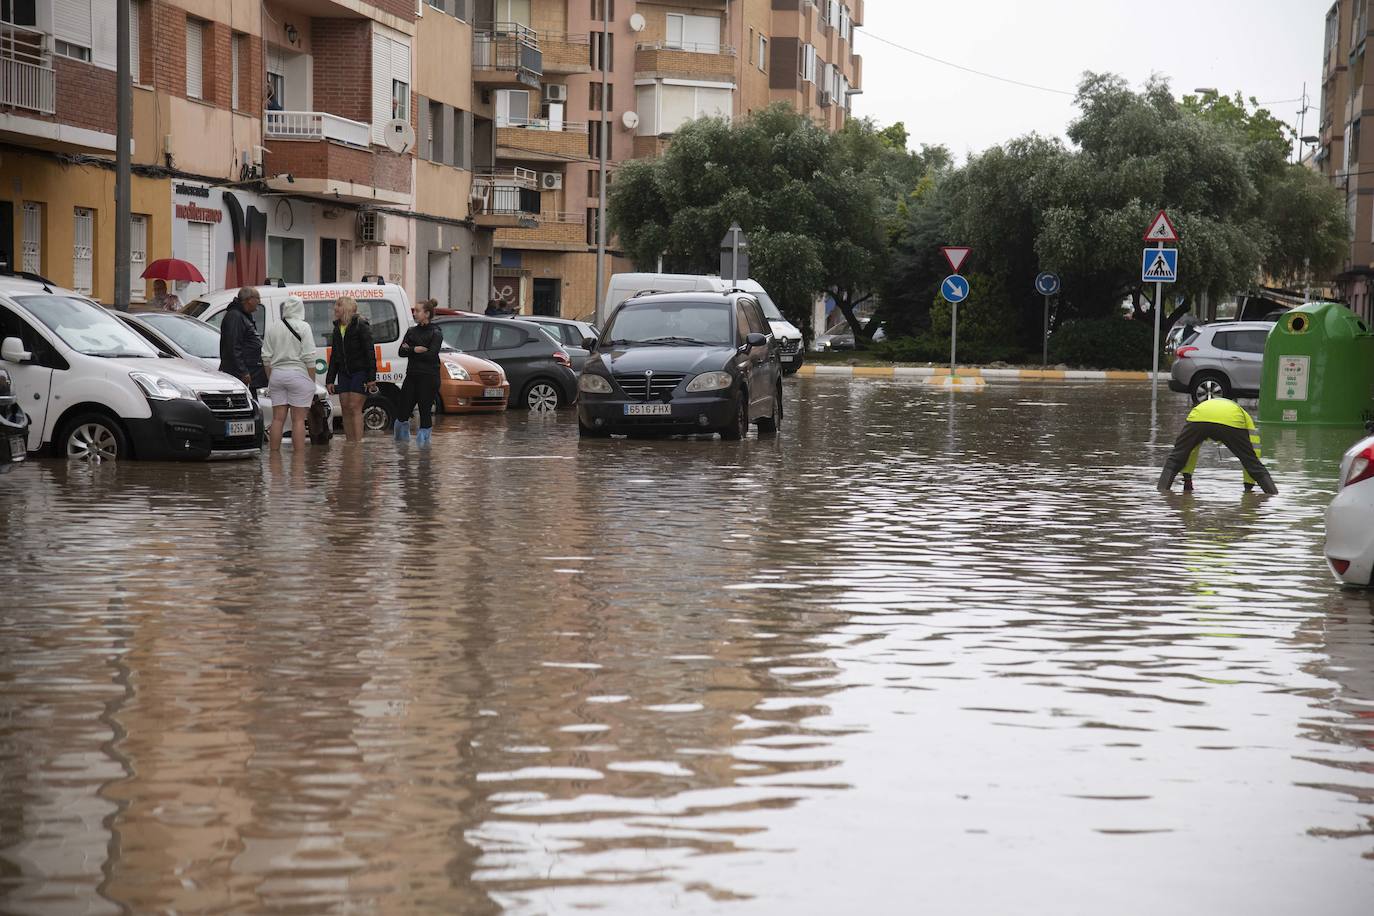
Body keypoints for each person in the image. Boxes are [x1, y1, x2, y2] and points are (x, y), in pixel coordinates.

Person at [1158, 397, 1278, 495]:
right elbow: (1253, 455)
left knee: (1175, 459)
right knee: (1252, 462)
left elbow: (1191, 452)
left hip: (1198, 418)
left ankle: (1161, 493)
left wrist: (1187, 481)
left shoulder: (1203, 407)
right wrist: (1248, 487)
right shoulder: (1245, 416)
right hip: (1231, 420)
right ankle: (1272, 495)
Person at [261, 294, 317, 451]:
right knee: (298, 420)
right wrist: (311, 383)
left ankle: (274, 457)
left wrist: (271, 378)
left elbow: (266, 357)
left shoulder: (273, 327)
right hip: (298, 375)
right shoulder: (304, 327)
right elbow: (309, 358)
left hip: (277, 375)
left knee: (277, 419)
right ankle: (298, 458)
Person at [325, 296, 378, 442]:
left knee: (354, 407)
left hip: (360, 372)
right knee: (345, 408)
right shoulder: (337, 328)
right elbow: (334, 355)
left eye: (338, 305)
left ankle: (358, 445)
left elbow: (370, 352)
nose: (335, 308)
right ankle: (350, 443)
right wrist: (330, 379)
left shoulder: (360, 325)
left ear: (347, 308)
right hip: (344, 373)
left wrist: (371, 378)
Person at [393, 300, 444, 445]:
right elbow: (401, 351)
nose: (414, 313)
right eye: (414, 310)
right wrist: (415, 349)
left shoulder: (436, 332)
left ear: (427, 314)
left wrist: (410, 350)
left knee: (424, 411)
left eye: (417, 311)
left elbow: (431, 355)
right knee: (402, 412)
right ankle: (401, 447)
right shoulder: (411, 331)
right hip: (412, 376)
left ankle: (424, 449)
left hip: (429, 377)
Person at [219, 287, 267, 390]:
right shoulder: (235, 316)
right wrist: (243, 371)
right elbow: (233, 346)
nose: (259, 302)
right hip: (239, 374)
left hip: (250, 369)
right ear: (249, 300)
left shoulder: (242, 315)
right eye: (258, 299)